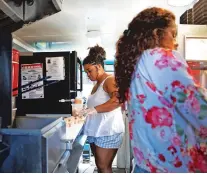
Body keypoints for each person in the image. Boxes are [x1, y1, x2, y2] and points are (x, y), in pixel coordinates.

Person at [114, 7, 207, 173]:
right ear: (157, 34)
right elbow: (200, 110)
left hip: (145, 166)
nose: (176, 41)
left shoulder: (137, 65)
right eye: (173, 33)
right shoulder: (160, 57)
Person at [81, 45, 125, 173]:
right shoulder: (97, 85)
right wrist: (86, 110)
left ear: (98, 66)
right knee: (100, 167)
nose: (88, 75)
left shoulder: (109, 80)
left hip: (108, 131)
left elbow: (117, 100)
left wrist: (93, 110)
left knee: (104, 167)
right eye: (86, 72)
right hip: (97, 132)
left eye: (89, 71)